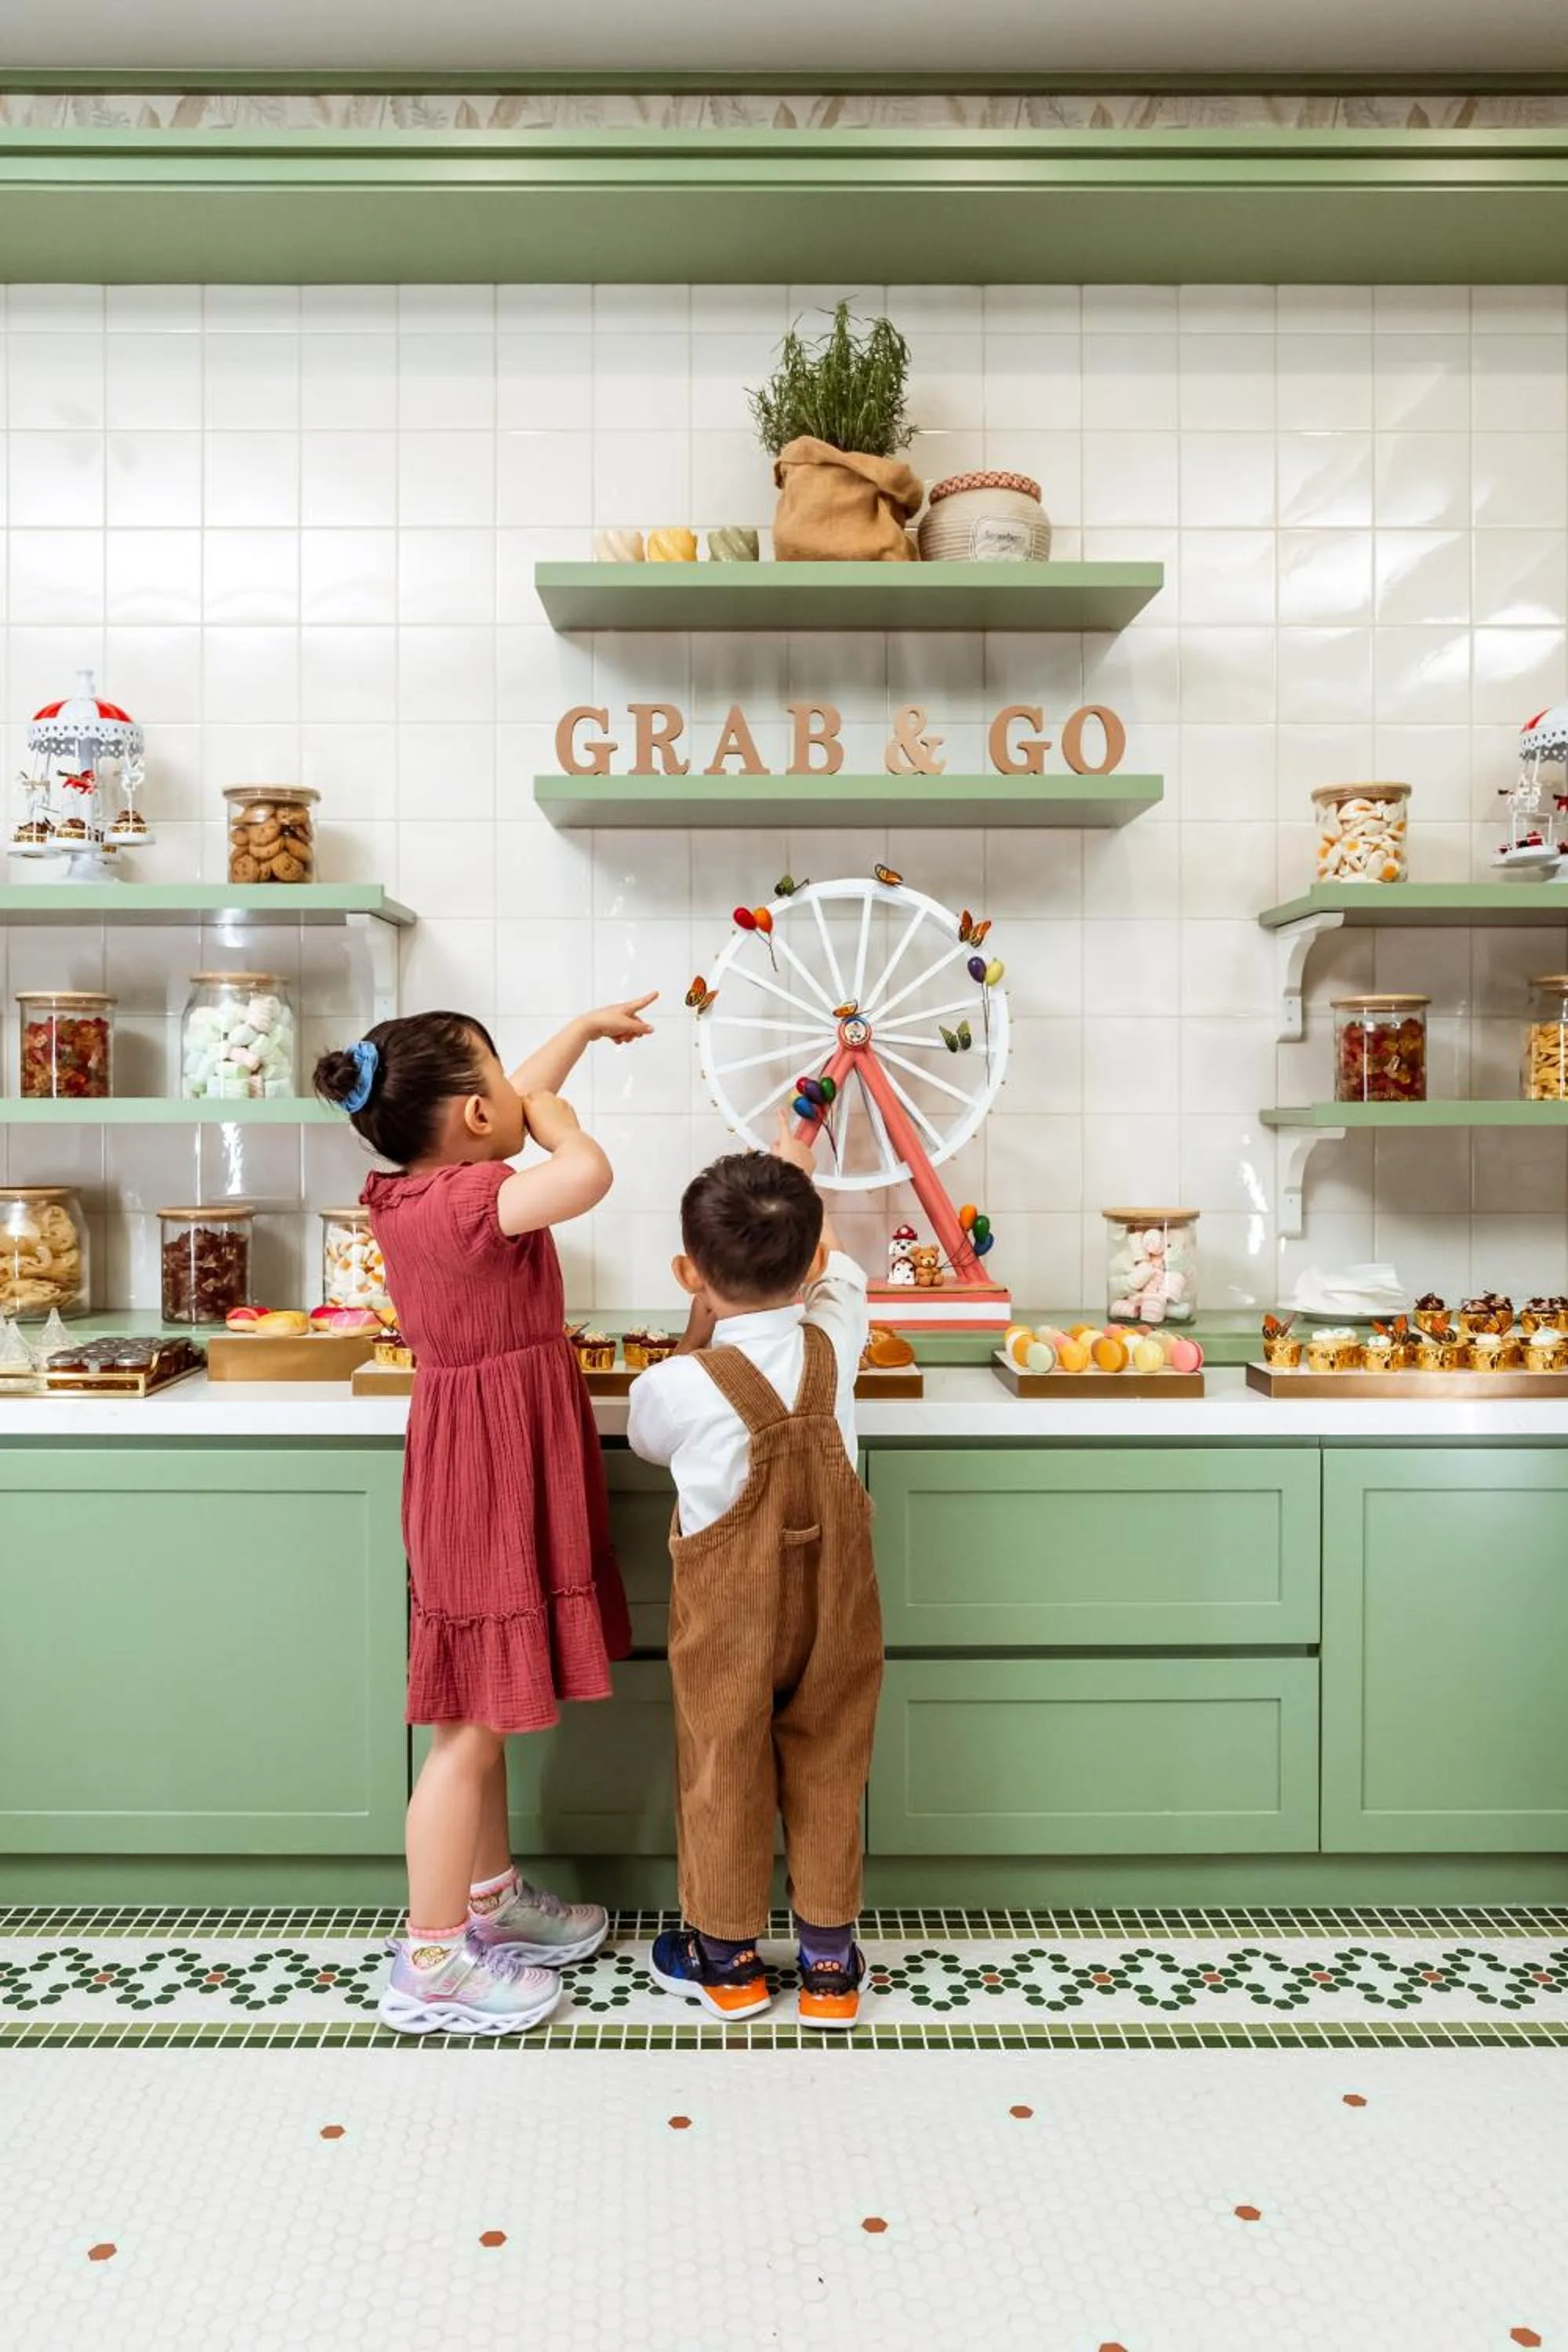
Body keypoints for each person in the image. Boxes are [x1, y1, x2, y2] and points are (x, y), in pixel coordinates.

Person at [314, 995, 655, 2036]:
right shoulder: (476, 1200)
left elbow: (499, 1106)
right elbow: (583, 1173)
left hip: (481, 1452)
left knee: (486, 1702)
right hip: (489, 1469)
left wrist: (577, 1036)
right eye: (502, 1085)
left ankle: (490, 1897)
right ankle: (430, 1961)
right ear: (473, 1117)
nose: (521, 1094)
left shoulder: (414, 1187)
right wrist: (561, 1124)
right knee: (466, 1731)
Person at [626, 1112, 884, 2031]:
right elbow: (835, 1264)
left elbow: (646, 1440)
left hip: (727, 1621)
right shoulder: (836, 1336)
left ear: (687, 1272)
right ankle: (827, 1967)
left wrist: (696, 1324)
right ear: (810, 1264)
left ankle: (727, 1961)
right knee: (829, 1762)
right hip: (837, 1610)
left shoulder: (675, 1385)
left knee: (723, 1762)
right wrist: (795, 1157)